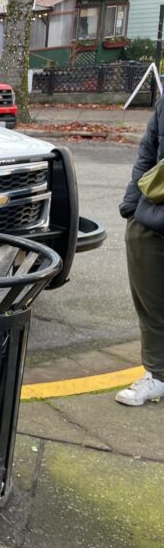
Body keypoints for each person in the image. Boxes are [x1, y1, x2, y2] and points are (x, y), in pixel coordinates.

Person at [117, 97, 164, 405]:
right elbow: (146, 153)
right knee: (152, 307)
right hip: (150, 220)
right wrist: (132, 207)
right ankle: (157, 376)